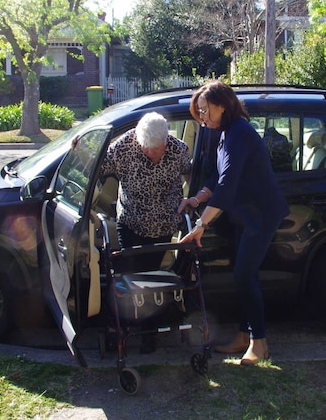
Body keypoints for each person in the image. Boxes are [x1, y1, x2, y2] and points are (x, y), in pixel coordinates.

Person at [178, 80, 289, 366]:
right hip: (245, 214)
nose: (201, 116)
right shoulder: (227, 132)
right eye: (199, 111)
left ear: (222, 105)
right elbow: (219, 177)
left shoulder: (239, 132)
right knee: (243, 275)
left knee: (244, 274)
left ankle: (259, 343)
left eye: (204, 110)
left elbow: (228, 184)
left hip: (260, 215)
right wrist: (199, 198)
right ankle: (243, 336)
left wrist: (201, 224)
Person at [100, 112, 191, 352]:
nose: (151, 153)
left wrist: (191, 199)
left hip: (162, 226)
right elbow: (98, 165)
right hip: (130, 221)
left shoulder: (178, 150)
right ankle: (121, 328)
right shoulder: (123, 147)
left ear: (166, 141)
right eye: (146, 149)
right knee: (128, 276)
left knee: (149, 279)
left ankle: (148, 334)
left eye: (156, 149)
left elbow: (189, 173)